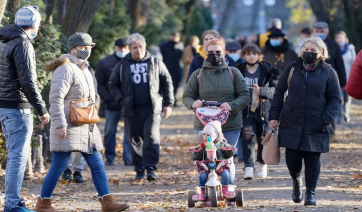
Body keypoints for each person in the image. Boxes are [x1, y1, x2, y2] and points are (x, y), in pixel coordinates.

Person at [36, 33, 129, 211]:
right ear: (73, 49)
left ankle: (107, 201)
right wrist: (60, 124)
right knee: (59, 165)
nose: (87, 51)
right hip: (68, 123)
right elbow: (55, 99)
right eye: (83, 48)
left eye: (89, 48)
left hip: (86, 124)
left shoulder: (84, 68)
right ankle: (43, 203)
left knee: (97, 162)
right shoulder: (65, 68)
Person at [269, 37, 342, 206]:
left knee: (312, 157)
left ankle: (310, 192)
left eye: (313, 50)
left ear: (322, 53)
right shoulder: (292, 67)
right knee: (292, 157)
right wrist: (274, 116)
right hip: (291, 119)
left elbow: (335, 99)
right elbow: (279, 92)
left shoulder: (329, 72)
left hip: (316, 121)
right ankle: (296, 181)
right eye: (306, 48)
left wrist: (326, 118)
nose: (309, 52)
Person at [0, 5, 50, 212]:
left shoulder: (4, 39)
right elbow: (28, 82)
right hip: (16, 108)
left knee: (14, 155)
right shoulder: (22, 43)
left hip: (3, 105)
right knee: (17, 156)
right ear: (35, 23)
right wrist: (42, 109)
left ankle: (14, 202)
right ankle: (12, 204)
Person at [183, 39, 250, 185]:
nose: (215, 55)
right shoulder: (197, 74)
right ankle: (206, 189)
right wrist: (193, 104)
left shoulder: (234, 72)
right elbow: (187, 96)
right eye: (211, 52)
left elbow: (245, 95)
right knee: (206, 158)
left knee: (227, 159)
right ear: (205, 53)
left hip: (230, 124)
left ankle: (229, 189)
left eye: (218, 52)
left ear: (224, 53)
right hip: (204, 125)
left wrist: (232, 105)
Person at [109, 33, 174, 181]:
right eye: (134, 47)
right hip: (131, 109)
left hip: (152, 107)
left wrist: (168, 104)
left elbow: (167, 81)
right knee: (135, 139)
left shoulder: (155, 62)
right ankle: (139, 169)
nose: (138, 50)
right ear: (130, 49)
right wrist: (121, 100)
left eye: (140, 46)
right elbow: (113, 84)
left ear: (145, 46)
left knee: (151, 136)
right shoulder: (122, 64)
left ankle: (150, 168)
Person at [237, 44, 278, 180]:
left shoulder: (269, 71)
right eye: (248, 54)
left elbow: (277, 91)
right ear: (244, 56)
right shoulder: (237, 70)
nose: (251, 56)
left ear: (259, 55)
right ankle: (248, 167)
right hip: (246, 110)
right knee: (248, 136)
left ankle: (262, 164)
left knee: (262, 138)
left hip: (264, 110)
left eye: (254, 54)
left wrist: (262, 91)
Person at [95, 37, 132, 166]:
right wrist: (109, 99)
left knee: (129, 132)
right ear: (115, 48)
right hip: (111, 104)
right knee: (110, 131)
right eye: (120, 48)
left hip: (129, 104)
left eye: (125, 48)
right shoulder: (105, 63)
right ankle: (109, 157)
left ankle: (128, 157)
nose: (122, 50)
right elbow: (98, 83)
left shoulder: (133, 62)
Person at [312, 22, 346, 136]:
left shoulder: (333, 45)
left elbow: (340, 64)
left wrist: (343, 82)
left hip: (331, 80)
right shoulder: (309, 44)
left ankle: (331, 131)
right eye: (317, 31)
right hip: (314, 80)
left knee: (331, 104)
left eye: (322, 31)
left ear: (327, 32)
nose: (319, 33)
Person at [190, 121, 236, 206]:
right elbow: (194, 156)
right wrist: (198, 151)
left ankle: (225, 190)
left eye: (208, 135)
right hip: (206, 166)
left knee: (225, 173)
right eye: (204, 135)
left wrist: (230, 150)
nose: (205, 137)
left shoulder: (221, 144)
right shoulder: (202, 145)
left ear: (215, 136)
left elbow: (228, 154)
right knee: (202, 175)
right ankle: (203, 192)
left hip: (220, 165)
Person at [334, 31, 356, 123]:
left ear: (345, 39)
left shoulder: (350, 49)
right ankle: (339, 117)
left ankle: (346, 114)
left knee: (347, 98)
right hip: (337, 78)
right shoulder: (333, 49)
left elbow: (355, 63)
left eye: (341, 37)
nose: (339, 39)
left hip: (349, 77)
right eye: (337, 38)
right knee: (338, 98)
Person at [160, 32, 183, 106]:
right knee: (165, 85)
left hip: (177, 69)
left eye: (177, 37)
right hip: (166, 68)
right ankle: (165, 101)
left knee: (176, 85)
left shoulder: (180, 46)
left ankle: (174, 101)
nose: (175, 38)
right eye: (174, 36)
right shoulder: (164, 46)